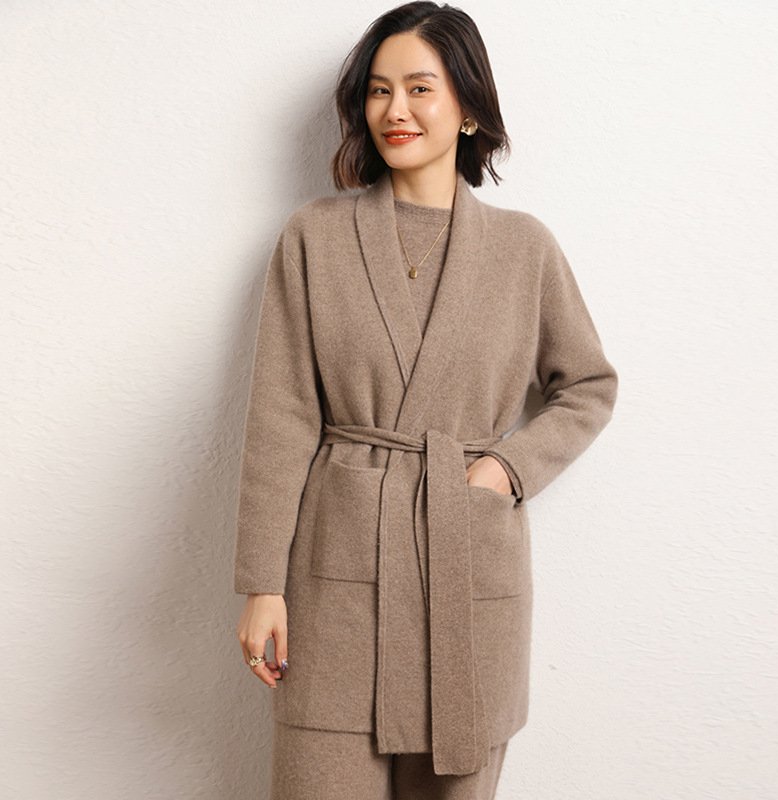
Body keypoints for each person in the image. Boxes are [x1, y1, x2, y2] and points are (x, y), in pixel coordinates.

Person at [234, 2, 619, 797]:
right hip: (337, 584)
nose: (395, 110)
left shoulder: (524, 249)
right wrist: (262, 583)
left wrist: (505, 470)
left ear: (468, 106)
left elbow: (587, 385)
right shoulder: (314, 237)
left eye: (419, 88)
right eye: (379, 91)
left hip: (465, 575)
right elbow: (282, 415)